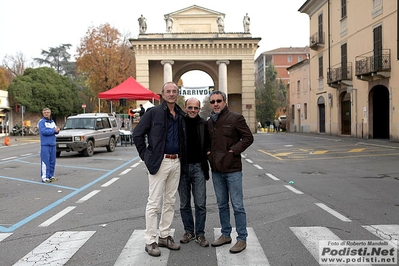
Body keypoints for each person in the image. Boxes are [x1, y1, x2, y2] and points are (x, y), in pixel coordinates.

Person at [133, 81, 187, 257]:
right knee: (154, 203)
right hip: (159, 162)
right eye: (168, 91)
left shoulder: (180, 114)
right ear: (162, 94)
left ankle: (164, 235)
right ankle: (150, 240)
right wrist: (146, 156)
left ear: (177, 94)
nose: (171, 94)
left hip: (176, 162)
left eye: (174, 91)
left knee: (170, 201)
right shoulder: (153, 113)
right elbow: (137, 134)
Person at [206, 90, 254, 254]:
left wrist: (234, 151)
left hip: (233, 169)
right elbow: (206, 142)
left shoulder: (235, 118)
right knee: (221, 204)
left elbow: (248, 137)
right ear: (210, 104)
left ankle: (242, 239)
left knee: (238, 205)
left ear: (224, 102)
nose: (216, 104)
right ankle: (225, 234)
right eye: (212, 102)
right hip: (216, 170)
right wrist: (208, 154)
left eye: (219, 101)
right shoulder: (209, 122)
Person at [178, 97, 210, 248]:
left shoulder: (204, 124)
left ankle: (200, 234)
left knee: (200, 203)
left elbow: (209, 145)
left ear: (199, 109)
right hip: (182, 168)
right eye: (189, 107)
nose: (192, 110)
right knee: (184, 204)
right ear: (185, 108)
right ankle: (189, 231)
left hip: (198, 168)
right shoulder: (179, 123)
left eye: (195, 108)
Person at [38, 107, 60, 183]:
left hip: (53, 144)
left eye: (48, 112)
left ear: (50, 113)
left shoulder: (52, 122)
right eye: (45, 112)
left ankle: (51, 175)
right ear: (43, 113)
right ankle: (45, 177)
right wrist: (53, 130)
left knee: (52, 161)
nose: (46, 114)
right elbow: (44, 131)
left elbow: (55, 131)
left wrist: (57, 131)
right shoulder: (41, 122)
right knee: (45, 161)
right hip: (45, 144)